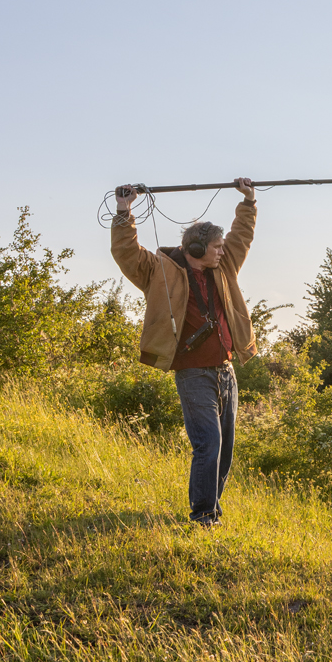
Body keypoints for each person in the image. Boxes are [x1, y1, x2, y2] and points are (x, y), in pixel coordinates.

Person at [110, 178, 257, 526]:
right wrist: (123, 210)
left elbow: (242, 236)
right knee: (208, 442)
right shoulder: (158, 271)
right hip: (192, 372)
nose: (222, 251)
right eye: (216, 247)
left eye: (222, 247)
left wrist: (248, 201)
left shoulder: (225, 266)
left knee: (224, 450)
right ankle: (203, 516)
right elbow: (126, 252)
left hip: (226, 371)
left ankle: (211, 508)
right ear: (195, 249)